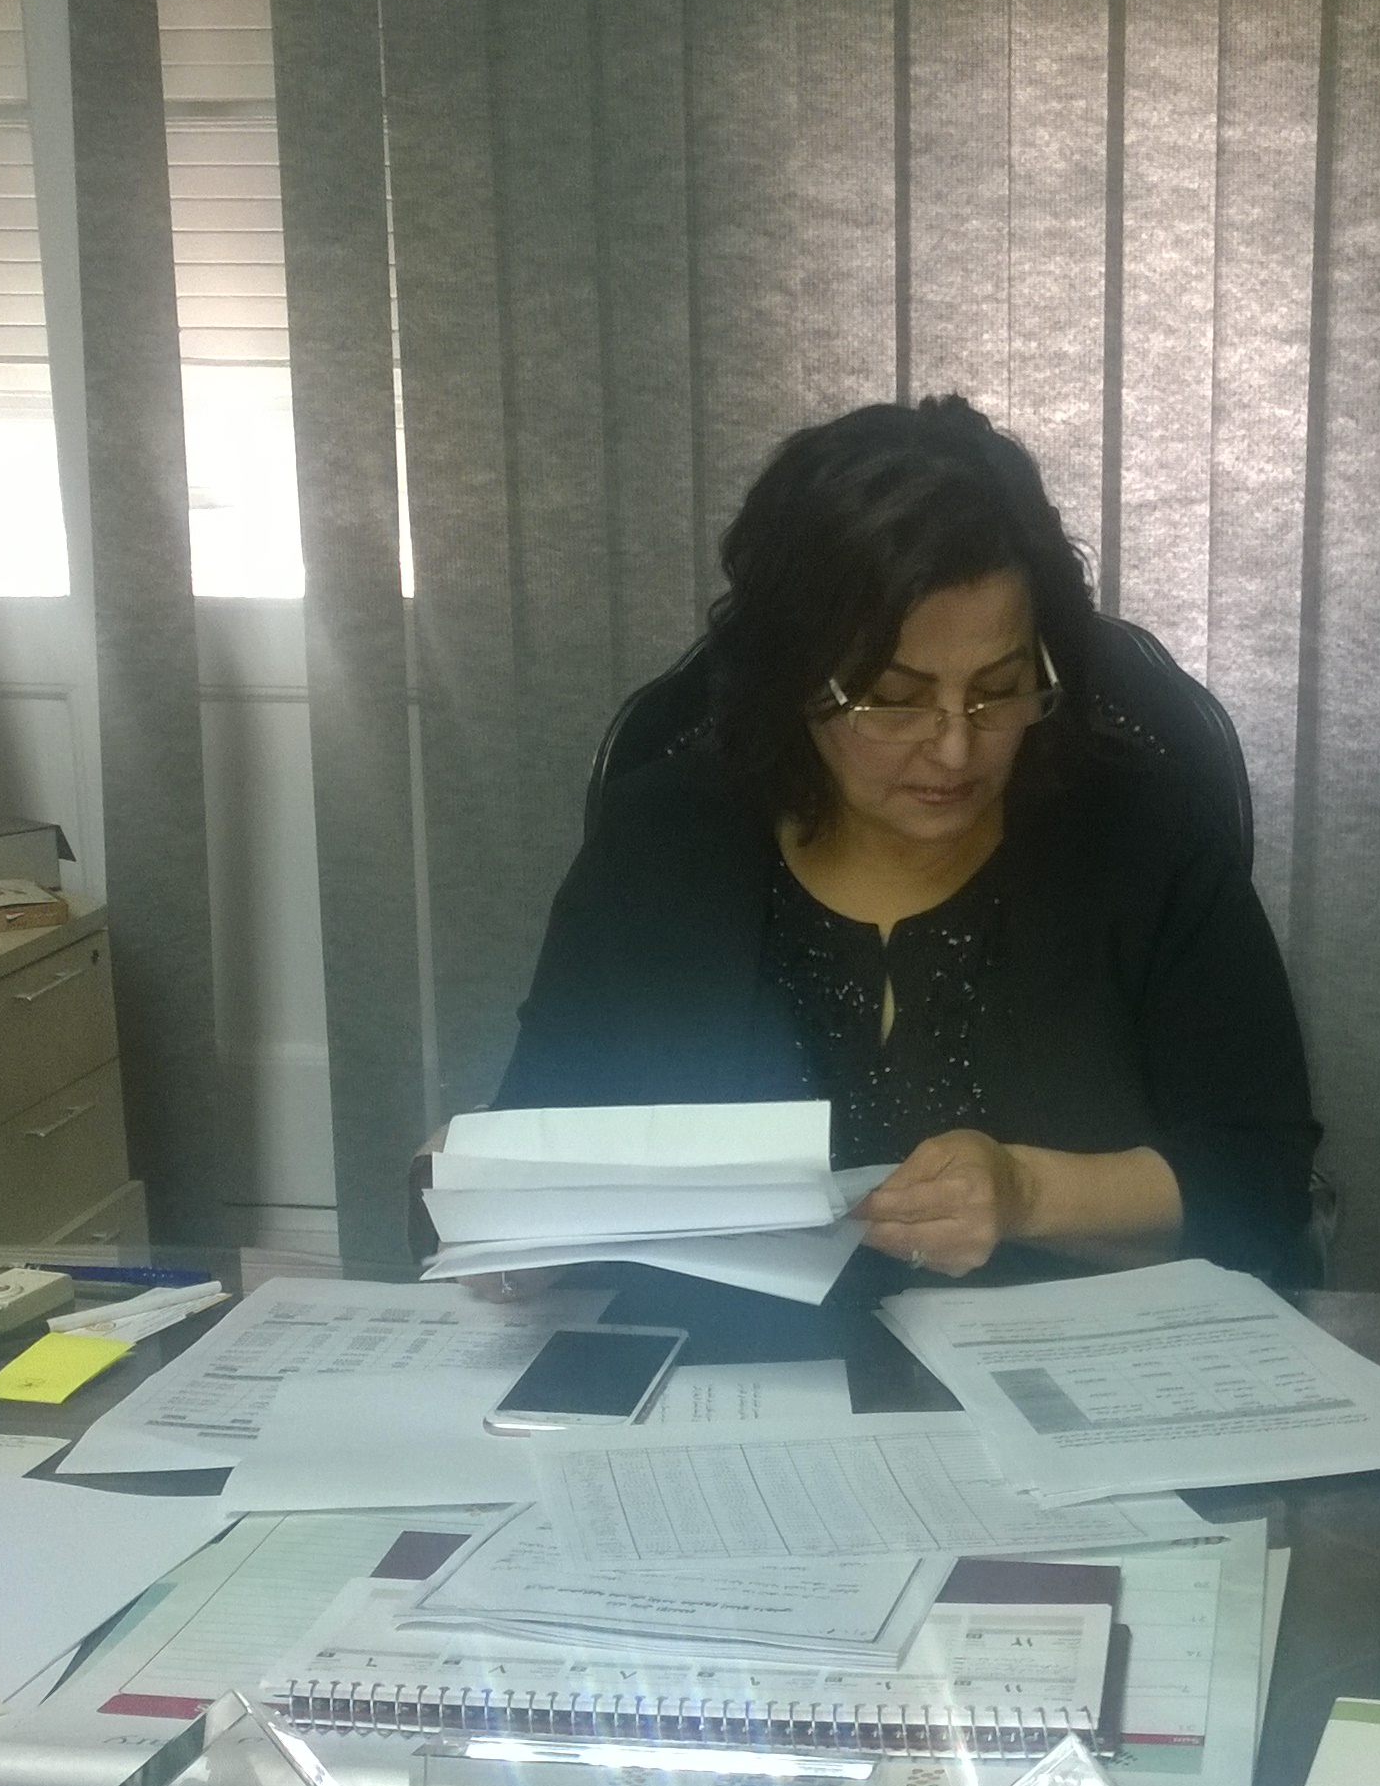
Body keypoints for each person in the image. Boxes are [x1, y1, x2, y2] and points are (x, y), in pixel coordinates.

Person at [487, 395, 1320, 1288]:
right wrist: (501, 1230)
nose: (956, 747)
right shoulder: (660, 847)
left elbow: (1262, 1182)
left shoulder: (1146, 840)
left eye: (998, 689)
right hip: (732, 1365)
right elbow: (541, 1143)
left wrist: (1027, 1193)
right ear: (795, 681)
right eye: (893, 699)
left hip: (1064, 1360)